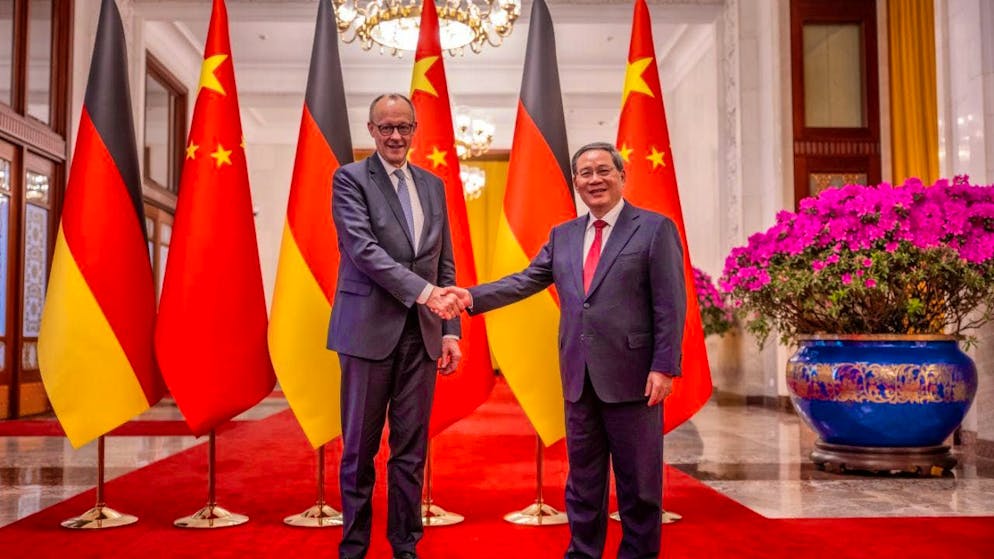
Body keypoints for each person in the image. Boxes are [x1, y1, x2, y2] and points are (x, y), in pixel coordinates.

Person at [446, 142, 686, 558]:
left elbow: (670, 303)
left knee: (640, 487)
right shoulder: (564, 235)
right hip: (579, 378)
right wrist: (469, 297)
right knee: (583, 483)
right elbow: (525, 280)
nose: (594, 179)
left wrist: (664, 366)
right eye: (585, 173)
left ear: (622, 176)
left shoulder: (654, 228)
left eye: (603, 170)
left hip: (635, 378)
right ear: (575, 182)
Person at [327, 93, 463, 559]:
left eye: (403, 127)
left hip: (422, 335)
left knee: (411, 451)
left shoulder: (432, 185)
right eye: (385, 127)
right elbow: (363, 251)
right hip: (366, 332)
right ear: (370, 131)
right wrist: (427, 294)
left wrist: (450, 331)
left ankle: (405, 546)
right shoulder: (349, 179)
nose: (395, 136)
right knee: (359, 452)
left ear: (414, 129)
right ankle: (355, 547)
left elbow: (444, 259)